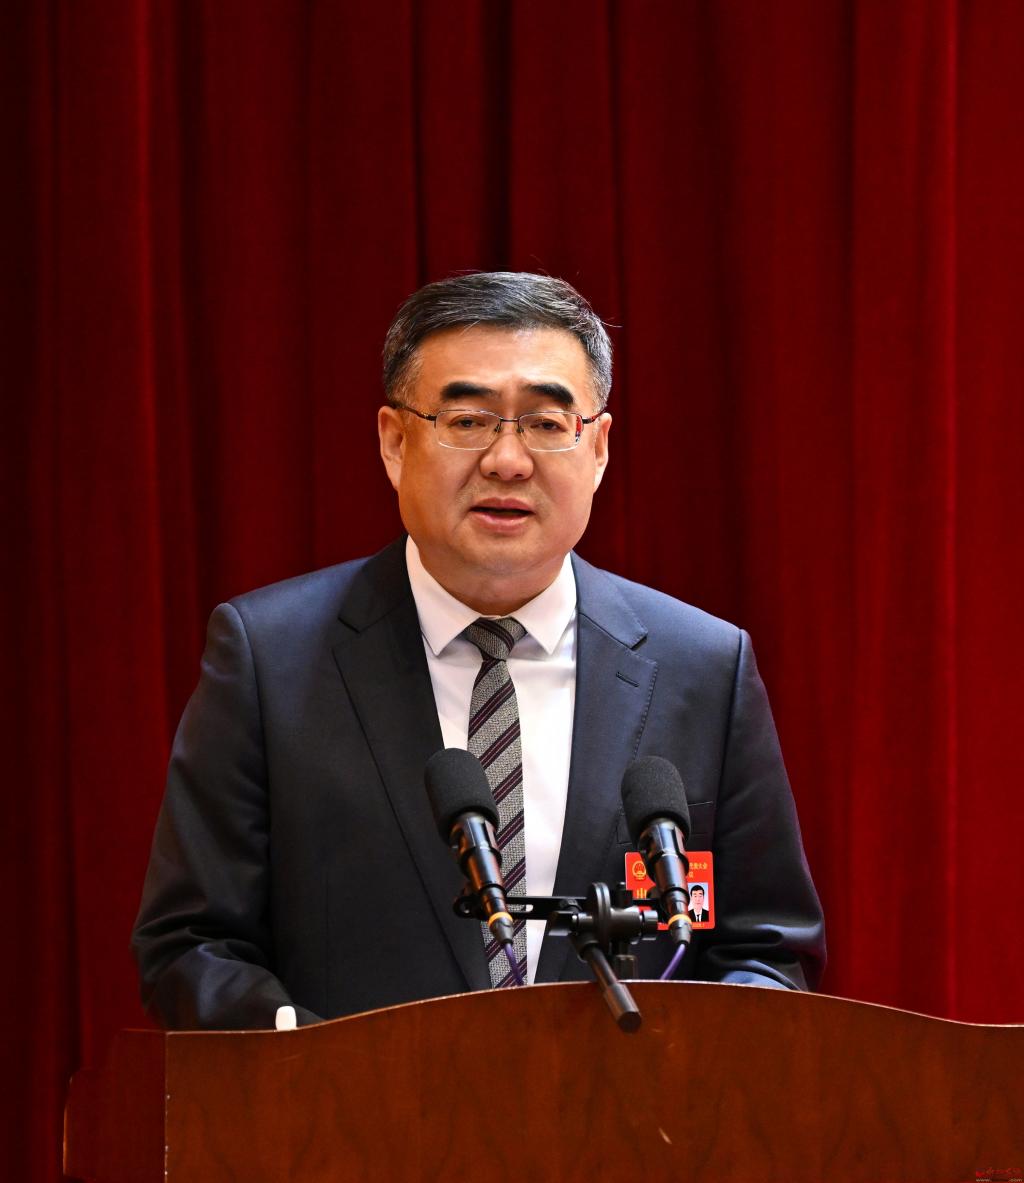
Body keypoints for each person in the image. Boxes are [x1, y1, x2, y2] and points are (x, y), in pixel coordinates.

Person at [132, 271, 825, 1029]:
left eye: (546, 423)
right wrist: (321, 1069)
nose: (508, 460)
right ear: (395, 442)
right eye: (467, 420)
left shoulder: (704, 667)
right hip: (350, 1105)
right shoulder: (270, 659)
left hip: (631, 1106)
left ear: (598, 448)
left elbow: (768, 949)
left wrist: (683, 1066)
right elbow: (192, 945)